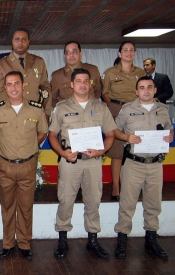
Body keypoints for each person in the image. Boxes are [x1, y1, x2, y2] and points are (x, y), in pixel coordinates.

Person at [49, 68, 116, 259]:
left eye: (86, 81)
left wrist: (102, 151)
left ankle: (93, 240)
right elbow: (52, 135)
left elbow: (110, 134)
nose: (83, 84)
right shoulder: (61, 107)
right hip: (70, 162)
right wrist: (62, 153)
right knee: (65, 200)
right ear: (72, 84)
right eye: (78, 81)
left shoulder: (101, 107)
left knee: (93, 201)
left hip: (93, 161)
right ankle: (63, 240)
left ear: (90, 84)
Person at [0, 71, 48, 260]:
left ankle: (24, 243)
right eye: (9, 84)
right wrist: (6, 147)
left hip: (27, 166)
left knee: (25, 206)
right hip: (6, 166)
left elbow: (42, 133)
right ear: (4, 88)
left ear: (23, 86)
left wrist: (29, 146)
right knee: (7, 206)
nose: (13, 87)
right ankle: (7, 244)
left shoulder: (35, 109)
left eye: (16, 84)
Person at [113, 76, 173, 259]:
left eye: (149, 87)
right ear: (136, 91)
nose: (145, 90)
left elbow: (169, 128)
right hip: (133, 163)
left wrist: (170, 136)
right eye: (141, 88)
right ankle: (122, 239)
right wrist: (126, 138)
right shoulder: (127, 109)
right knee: (127, 203)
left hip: (156, 164)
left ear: (155, 90)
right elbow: (115, 130)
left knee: (154, 204)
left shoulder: (163, 109)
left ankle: (151, 239)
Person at [101, 41, 145, 200]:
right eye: (125, 50)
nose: (128, 53)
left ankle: (133, 185)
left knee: (136, 148)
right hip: (116, 110)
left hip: (136, 111)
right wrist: (112, 109)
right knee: (117, 151)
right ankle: (115, 187)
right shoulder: (110, 72)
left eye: (131, 50)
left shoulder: (140, 72)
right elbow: (104, 93)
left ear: (134, 53)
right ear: (119, 54)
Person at [0, 28, 51, 120]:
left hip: (34, 113)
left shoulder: (39, 61)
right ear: (12, 42)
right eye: (17, 39)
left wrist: (47, 112)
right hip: (11, 114)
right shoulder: (1, 64)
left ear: (28, 42)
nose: (20, 43)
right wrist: (2, 114)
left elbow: (45, 88)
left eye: (24, 39)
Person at [50, 41, 102, 108]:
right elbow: (52, 98)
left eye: (74, 51)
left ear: (80, 53)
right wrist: (63, 109)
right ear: (64, 56)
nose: (71, 55)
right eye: (67, 52)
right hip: (68, 115)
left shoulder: (93, 70)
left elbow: (98, 91)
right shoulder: (57, 75)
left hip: (90, 112)